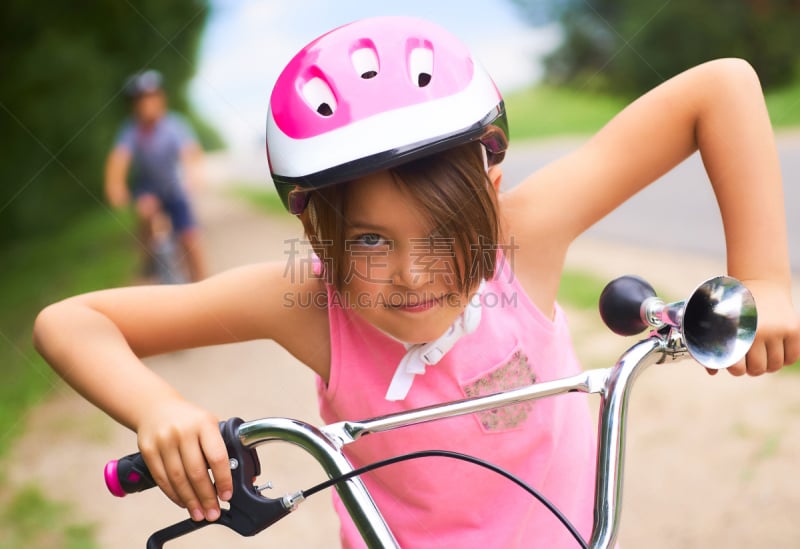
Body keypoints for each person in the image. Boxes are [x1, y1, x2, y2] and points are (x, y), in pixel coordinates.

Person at [33, 16, 799, 548]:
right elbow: (70, 321)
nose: (411, 273)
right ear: (316, 234)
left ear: (491, 191)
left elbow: (721, 88)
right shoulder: (309, 304)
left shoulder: (521, 241)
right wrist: (159, 408)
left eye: (442, 233)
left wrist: (766, 274)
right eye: (369, 239)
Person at [105, 69, 207, 283]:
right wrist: (115, 186)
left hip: (173, 187)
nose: (147, 105)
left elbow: (190, 152)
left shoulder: (174, 125)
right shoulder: (131, 130)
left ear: (161, 99)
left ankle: (203, 284)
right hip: (149, 187)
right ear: (134, 106)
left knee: (190, 238)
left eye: (151, 98)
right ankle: (148, 260)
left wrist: (193, 174)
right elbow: (119, 158)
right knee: (145, 210)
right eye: (141, 100)